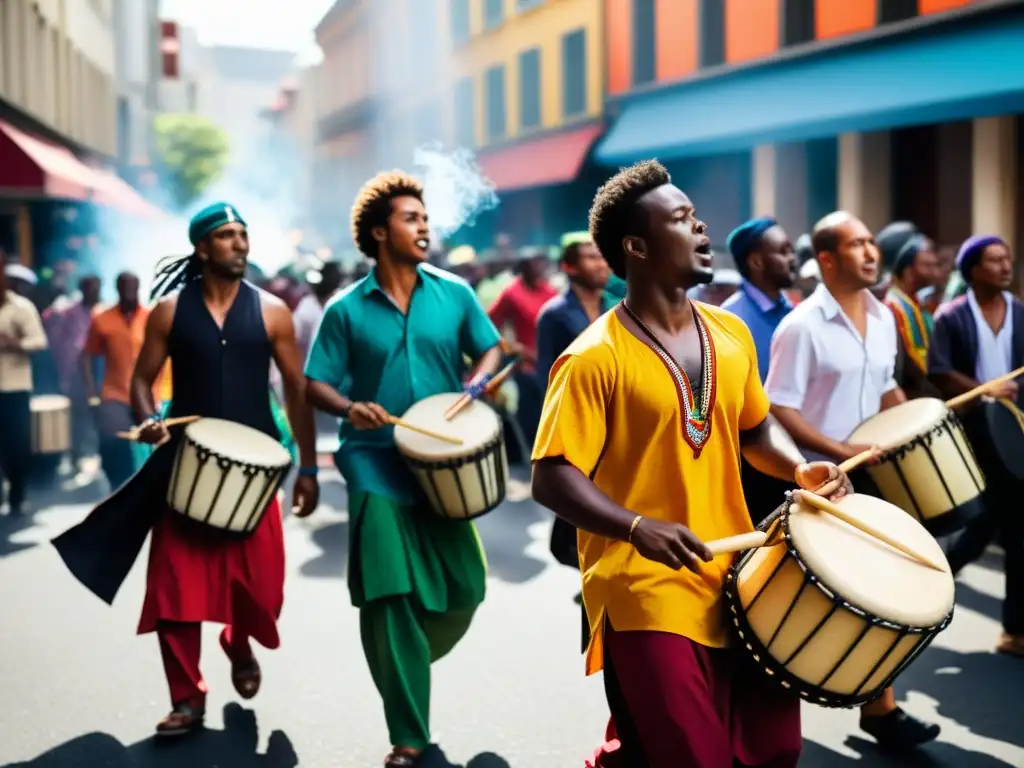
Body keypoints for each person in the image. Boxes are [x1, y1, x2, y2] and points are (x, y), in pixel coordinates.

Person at [531, 161, 853, 768]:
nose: (702, 229)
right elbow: (551, 475)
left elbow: (755, 429)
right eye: (681, 219)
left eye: (697, 216)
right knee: (694, 756)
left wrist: (797, 469)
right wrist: (636, 526)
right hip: (643, 586)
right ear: (636, 245)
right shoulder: (592, 357)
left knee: (773, 748)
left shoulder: (730, 334)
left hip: (741, 572)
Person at [52, 202, 319, 736]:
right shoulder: (169, 312)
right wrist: (149, 418)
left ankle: (237, 641)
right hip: (184, 467)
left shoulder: (273, 313)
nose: (240, 244)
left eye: (244, 235)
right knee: (174, 591)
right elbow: (141, 382)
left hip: (255, 471)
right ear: (202, 247)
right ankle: (186, 698)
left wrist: (307, 467)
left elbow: (295, 390)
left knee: (262, 590)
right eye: (227, 236)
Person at [304, 171, 504, 768]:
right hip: (373, 465)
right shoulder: (344, 310)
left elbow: (490, 348)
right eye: (410, 218)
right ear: (377, 232)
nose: (424, 227)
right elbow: (314, 383)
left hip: (442, 463)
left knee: (466, 587)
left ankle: (403, 664)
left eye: (425, 217)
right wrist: (348, 407)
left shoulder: (456, 294)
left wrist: (477, 379)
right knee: (389, 597)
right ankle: (408, 734)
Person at [765, 211, 941, 750]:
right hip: (820, 483)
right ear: (826, 259)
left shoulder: (885, 316)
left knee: (884, 593)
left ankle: (880, 708)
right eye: (856, 243)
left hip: (875, 475)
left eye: (871, 242)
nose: (871, 251)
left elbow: (886, 384)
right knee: (806, 605)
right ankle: (767, 717)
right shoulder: (800, 326)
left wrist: (911, 422)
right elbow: (779, 408)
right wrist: (841, 452)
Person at [928, 234, 1023, 658]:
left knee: (1013, 529)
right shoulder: (951, 317)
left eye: (1007, 259)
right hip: (972, 436)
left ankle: (1015, 631)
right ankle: (931, 583)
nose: (1006, 266)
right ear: (973, 270)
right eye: (995, 260)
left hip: (1015, 435)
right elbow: (940, 372)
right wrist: (987, 390)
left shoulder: (1020, 312)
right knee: (982, 523)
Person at [81, 272, 166, 491]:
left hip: (149, 392)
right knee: (112, 440)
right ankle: (118, 488)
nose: (128, 292)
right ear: (117, 289)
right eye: (123, 287)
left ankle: (148, 489)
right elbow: (88, 356)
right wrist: (91, 392)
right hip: (115, 392)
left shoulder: (152, 317)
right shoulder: (102, 318)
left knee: (154, 443)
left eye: (132, 287)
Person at [487, 250, 557, 448]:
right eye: (534, 263)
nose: (540, 267)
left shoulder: (550, 291)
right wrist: (512, 347)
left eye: (541, 262)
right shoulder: (512, 293)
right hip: (527, 367)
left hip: (552, 363)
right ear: (524, 267)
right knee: (534, 419)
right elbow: (489, 324)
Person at [720, 217, 797, 382]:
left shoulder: (792, 311)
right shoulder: (731, 320)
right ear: (756, 262)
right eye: (783, 252)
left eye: (792, 251)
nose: (792, 259)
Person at [0, 262, 47, 515]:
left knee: (15, 444)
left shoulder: (21, 308)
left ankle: (17, 493)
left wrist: (14, 343)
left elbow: (39, 341)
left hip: (14, 387)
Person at [877, 222, 942, 399]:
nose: (935, 267)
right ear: (907, 268)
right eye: (927, 263)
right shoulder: (892, 311)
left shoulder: (918, 305)